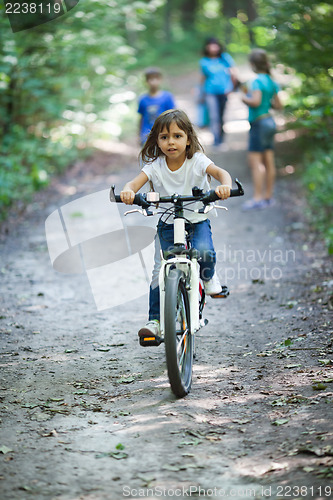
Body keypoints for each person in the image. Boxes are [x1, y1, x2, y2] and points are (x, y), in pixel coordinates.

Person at [120, 109, 232, 341]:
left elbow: (220, 173)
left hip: (196, 219)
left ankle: (208, 277)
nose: (171, 142)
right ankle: (155, 321)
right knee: (158, 273)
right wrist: (129, 191)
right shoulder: (155, 166)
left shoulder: (198, 160)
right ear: (157, 141)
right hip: (168, 224)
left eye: (177, 136)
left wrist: (225, 186)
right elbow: (134, 183)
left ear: (188, 139)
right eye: (164, 137)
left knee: (203, 251)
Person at [241, 49, 283, 210]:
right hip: (270, 122)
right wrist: (268, 103)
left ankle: (258, 198)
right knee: (269, 161)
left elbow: (256, 102)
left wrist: (244, 98)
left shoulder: (256, 81)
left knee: (256, 162)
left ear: (252, 65)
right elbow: (279, 105)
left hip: (259, 124)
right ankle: (268, 197)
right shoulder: (272, 81)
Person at [199, 37, 238, 148]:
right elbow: (203, 78)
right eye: (211, 45)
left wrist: (231, 88)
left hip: (223, 92)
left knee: (221, 116)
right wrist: (200, 92)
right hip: (210, 92)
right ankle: (216, 141)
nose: (213, 48)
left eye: (215, 45)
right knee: (214, 116)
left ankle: (221, 138)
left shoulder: (225, 58)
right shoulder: (204, 61)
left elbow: (233, 73)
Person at [138, 67, 176, 146]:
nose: (153, 82)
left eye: (156, 78)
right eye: (150, 79)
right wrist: (139, 135)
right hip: (147, 135)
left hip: (164, 133)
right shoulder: (143, 99)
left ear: (160, 80)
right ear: (146, 81)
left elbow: (174, 116)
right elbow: (141, 117)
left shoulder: (167, 97)